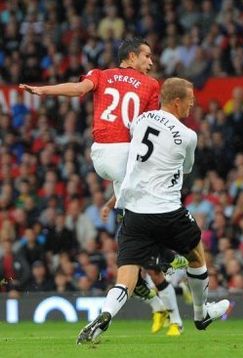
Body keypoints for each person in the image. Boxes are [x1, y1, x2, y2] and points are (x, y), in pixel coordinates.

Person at [20, 38, 186, 336]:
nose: (151, 61)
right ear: (132, 56)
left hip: (100, 154)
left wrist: (43, 90)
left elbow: (77, 89)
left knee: (134, 239)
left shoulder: (100, 75)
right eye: (147, 55)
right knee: (144, 221)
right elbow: (148, 129)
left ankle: (158, 301)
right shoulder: (150, 85)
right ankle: (169, 259)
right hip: (125, 152)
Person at [76, 77, 230, 345]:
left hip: (134, 213)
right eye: (190, 101)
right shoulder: (188, 135)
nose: (193, 105)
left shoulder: (142, 119)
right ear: (177, 101)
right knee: (196, 255)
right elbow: (187, 169)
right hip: (167, 211)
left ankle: (104, 316)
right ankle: (201, 314)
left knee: (126, 277)